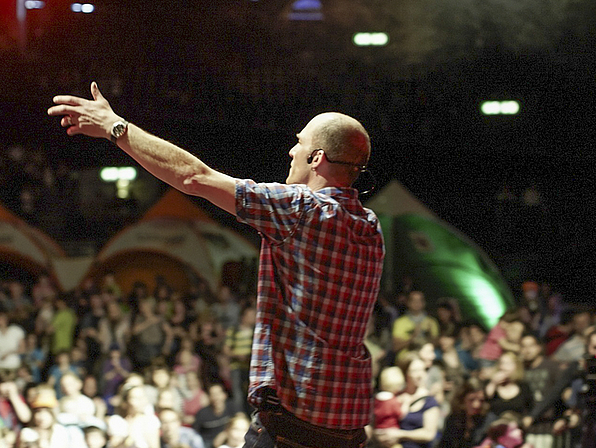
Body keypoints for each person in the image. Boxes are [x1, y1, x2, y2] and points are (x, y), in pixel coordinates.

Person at [48, 84, 385, 448]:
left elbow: (194, 177)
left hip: (293, 426)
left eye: (299, 143)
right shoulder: (370, 227)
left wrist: (116, 127)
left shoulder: (300, 210)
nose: (291, 150)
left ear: (317, 158)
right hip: (348, 429)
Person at [375, 353, 439, 448]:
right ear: (405, 374)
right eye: (415, 371)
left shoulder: (429, 401)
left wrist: (399, 434)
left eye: (423, 370)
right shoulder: (394, 396)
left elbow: (429, 434)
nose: (420, 375)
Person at [439, 378, 490, 448]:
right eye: (471, 400)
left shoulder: (488, 421)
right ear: (462, 399)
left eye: (481, 400)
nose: (476, 405)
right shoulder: (453, 419)